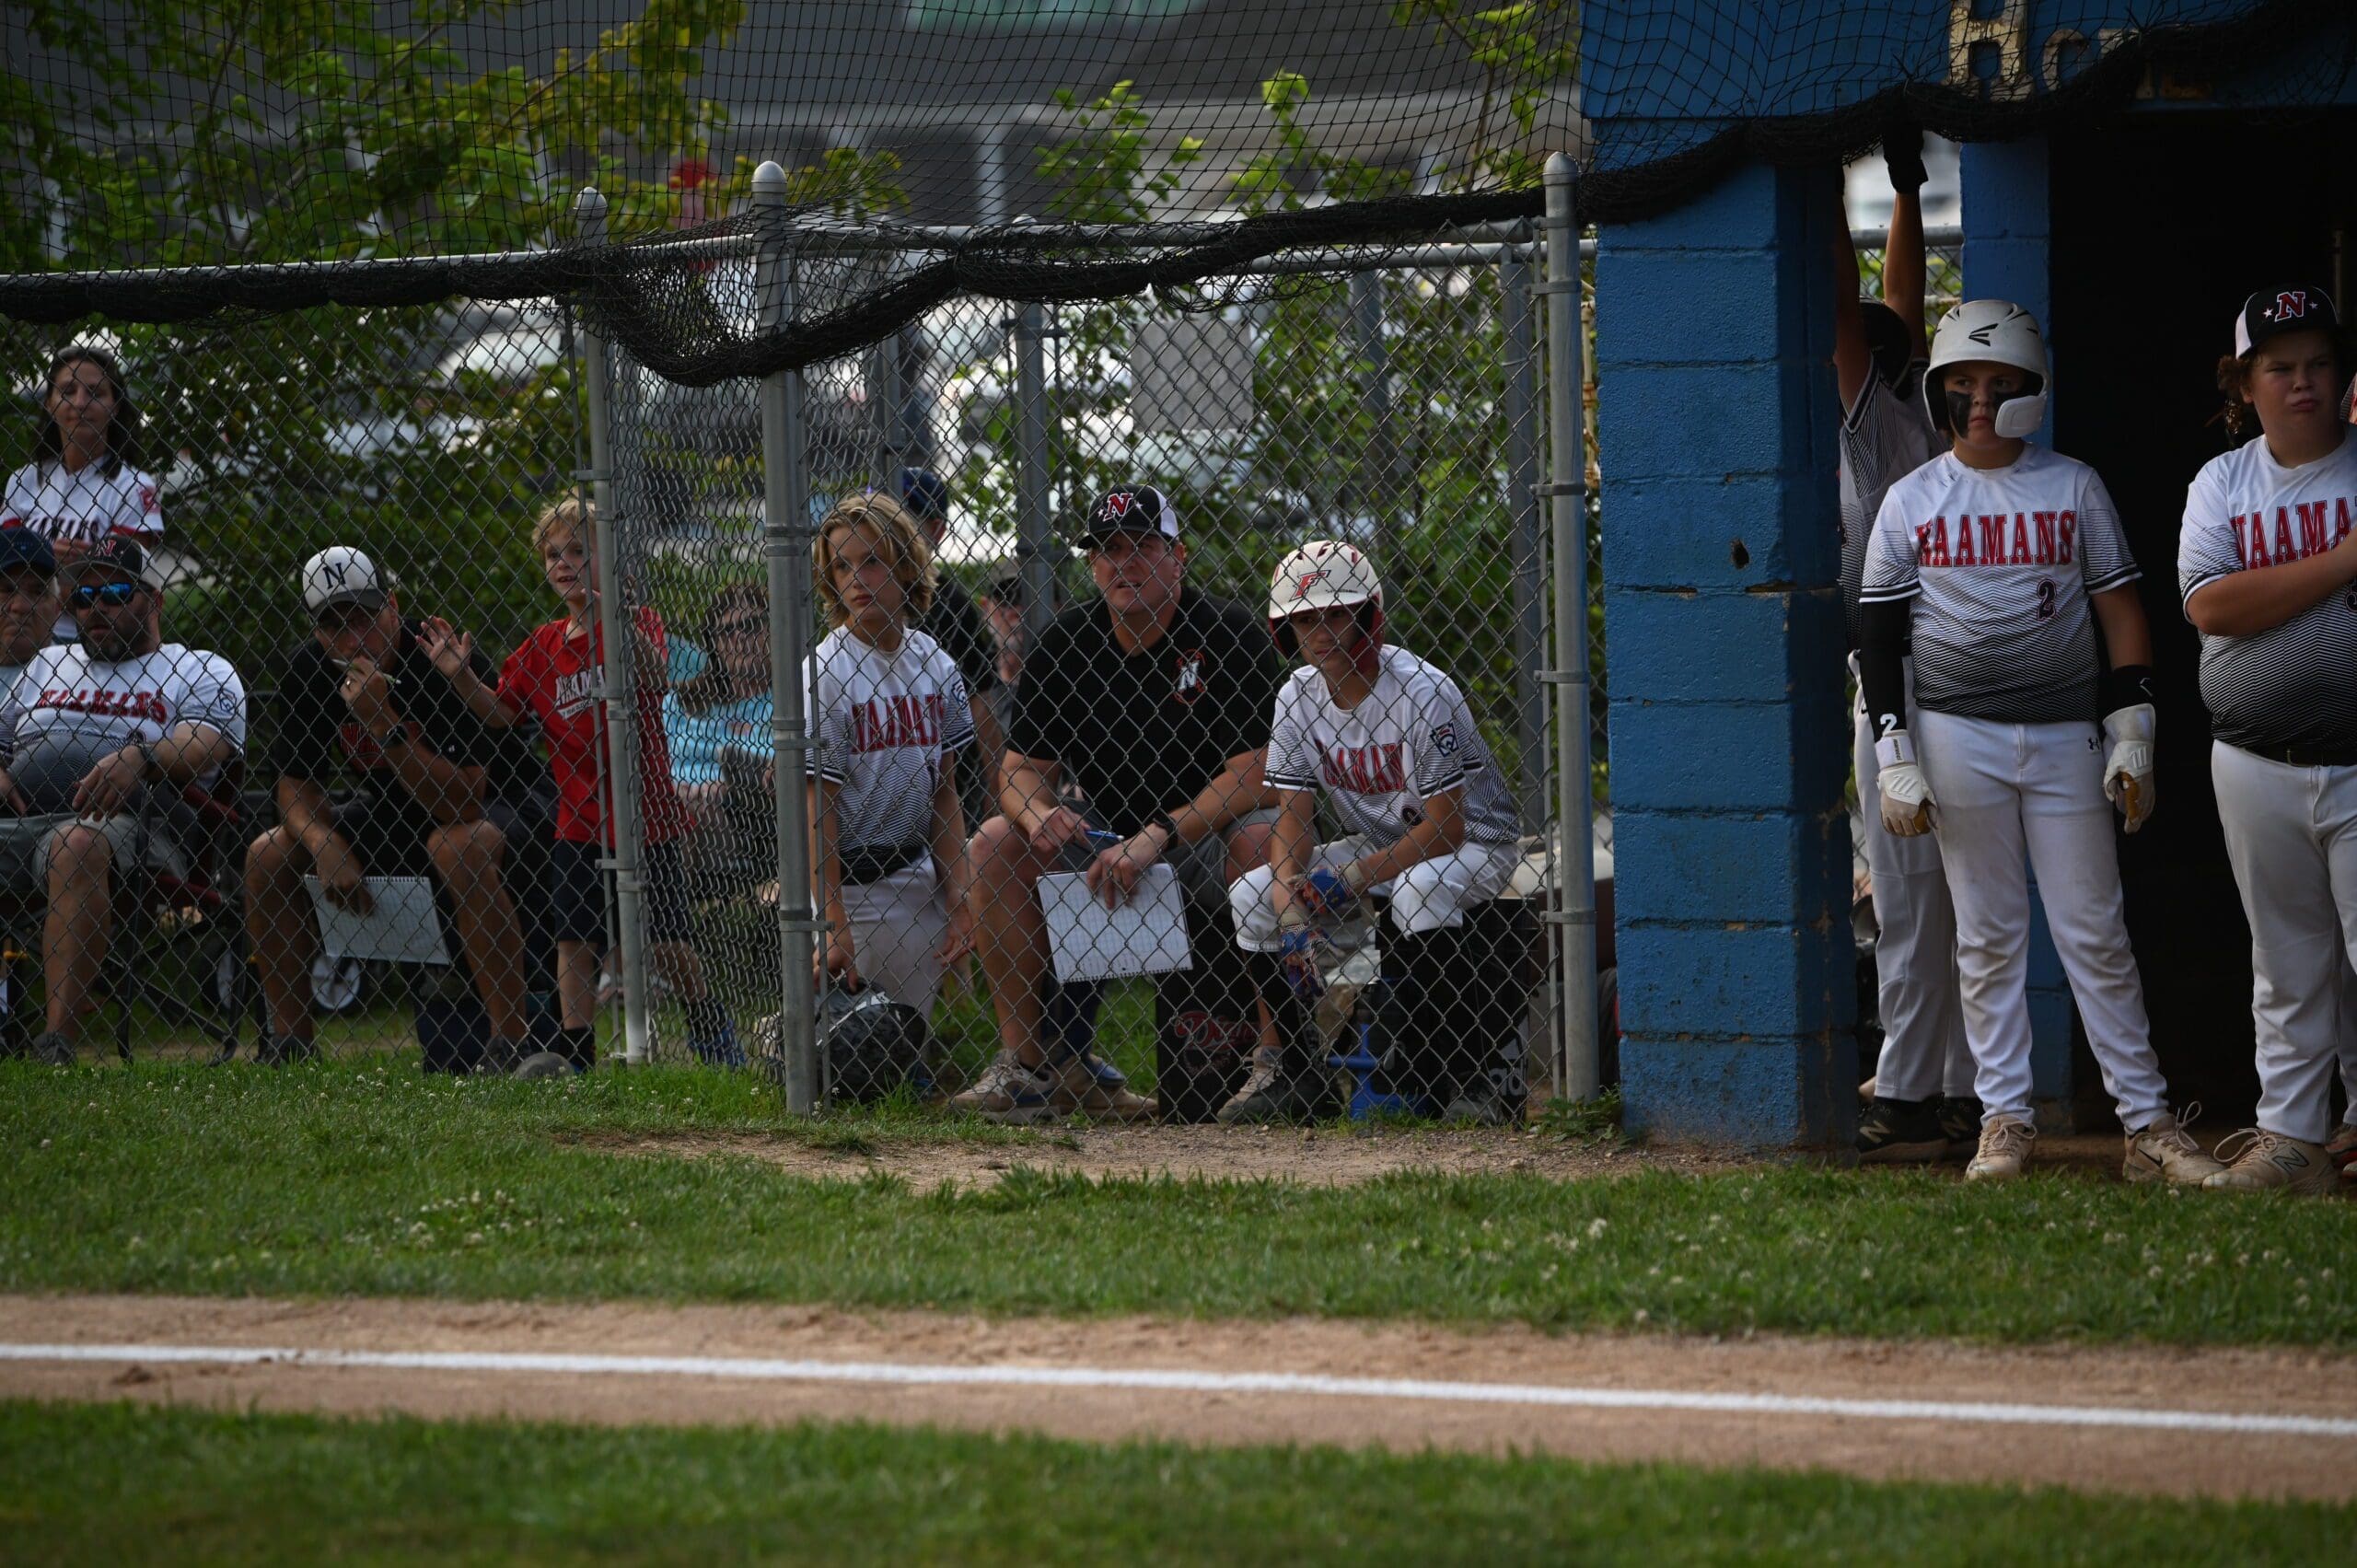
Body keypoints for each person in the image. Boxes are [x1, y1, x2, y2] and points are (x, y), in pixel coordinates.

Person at [1857, 299, 2223, 1184]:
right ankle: (2004, 1119)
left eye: (2002, 383)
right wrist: (1895, 752)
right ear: (1938, 391)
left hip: (2064, 734)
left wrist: (2133, 726)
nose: (1981, 400)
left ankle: (2147, 1124)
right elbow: (1879, 637)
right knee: (1987, 937)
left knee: (2095, 930)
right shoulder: (1912, 498)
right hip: (1955, 734)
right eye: (1963, 382)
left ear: (2033, 389)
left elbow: (2121, 611)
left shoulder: (2073, 485)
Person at [951, 484, 1281, 1123]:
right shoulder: (1067, 642)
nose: (1123, 563)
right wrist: (1037, 813)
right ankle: (1030, 1069)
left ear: (1178, 556)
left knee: (1264, 838)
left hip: (1204, 836)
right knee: (994, 842)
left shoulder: (1228, 631)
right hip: (1105, 840)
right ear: (1092, 564)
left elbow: (1256, 775)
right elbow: (1019, 770)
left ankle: (1277, 1060)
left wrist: (1159, 834)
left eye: (1142, 546)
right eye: (1107, 549)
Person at [420, 497, 740, 1070]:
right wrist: (459, 676)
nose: (563, 563)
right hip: (578, 821)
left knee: (666, 940)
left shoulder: (636, 622)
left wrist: (616, 619)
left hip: (645, 816)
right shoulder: (542, 647)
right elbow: (501, 712)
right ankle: (575, 1053)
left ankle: (710, 1027)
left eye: (577, 551)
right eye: (553, 554)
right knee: (574, 940)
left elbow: (655, 673)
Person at [1226, 540, 1526, 1123]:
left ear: (1370, 615)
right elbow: (1293, 817)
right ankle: (1301, 1077)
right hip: (1384, 844)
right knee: (1251, 897)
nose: (1321, 633)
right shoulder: (1296, 697)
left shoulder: (1422, 692)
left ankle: (1470, 1083)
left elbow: (1446, 829)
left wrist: (1354, 877)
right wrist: (1289, 904)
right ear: (1285, 630)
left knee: (1419, 890)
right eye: (1304, 619)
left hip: (1475, 841)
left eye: (1337, 614)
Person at [2177, 285, 2357, 1191]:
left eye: (2319, 363)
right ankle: (2293, 1140)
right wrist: (2346, 559)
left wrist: (2280, 586)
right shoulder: (2222, 482)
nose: (2302, 382)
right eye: (2279, 368)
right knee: (2285, 963)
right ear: (2243, 384)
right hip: (2253, 756)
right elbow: (2213, 605)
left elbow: (2249, 597)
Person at [244, 547, 540, 1071]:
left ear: (394, 607)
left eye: (364, 618)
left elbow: (463, 802)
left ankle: (510, 1046)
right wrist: (324, 842)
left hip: (504, 805)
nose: (352, 640)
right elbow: (293, 788)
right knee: (268, 854)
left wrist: (383, 724)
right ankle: (289, 1046)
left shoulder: (440, 656)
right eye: (334, 626)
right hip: (396, 812)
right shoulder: (310, 668)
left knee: (455, 845)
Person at [1833, 131, 1976, 1164]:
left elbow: (1862, 313)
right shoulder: (1929, 415)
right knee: (1946, 898)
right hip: (1942, 674)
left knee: (1918, 901)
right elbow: (1896, 303)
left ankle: (1926, 1088)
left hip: (1909, 678)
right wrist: (1907, 185)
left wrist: (1817, 184)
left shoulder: (1880, 425)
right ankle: (1949, 1086)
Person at [0, 538, 244, 1067]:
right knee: (70, 841)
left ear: (154, 601)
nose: (96, 609)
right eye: (83, 598)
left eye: (113, 593)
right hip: (23, 821)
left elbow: (205, 745)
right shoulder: (46, 664)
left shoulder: (196, 668)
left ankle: (55, 1044)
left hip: (136, 826)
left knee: (77, 843)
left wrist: (143, 757)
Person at [804, 492, 974, 1028]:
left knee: (909, 1043)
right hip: (850, 887)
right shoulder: (826, 672)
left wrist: (959, 899)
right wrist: (833, 920)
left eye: (873, 561)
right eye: (842, 566)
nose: (858, 578)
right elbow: (817, 808)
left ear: (905, 564)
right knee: (857, 1049)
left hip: (917, 878)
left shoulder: (935, 663)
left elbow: (945, 792)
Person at [2, 346, 166, 641]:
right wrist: (73, 568)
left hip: (90, 642)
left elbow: (119, 596)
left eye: (95, 393)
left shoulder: (133, 487)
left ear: (115, 407)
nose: (80, 403)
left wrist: (36, 569)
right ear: (49, 404)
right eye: (67, 391)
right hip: (19, 637)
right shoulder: (23, 481)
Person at [900, 468, 1005, 823]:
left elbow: (981, 706)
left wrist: (996, 792)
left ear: (936, 530)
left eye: (905, 518)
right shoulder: (856, 598)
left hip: (950, 790)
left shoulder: (951, 606)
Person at [662, 581, 772, 841]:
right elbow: (654, 762)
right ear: (714, 644)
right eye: (726, 631)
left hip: (754, 820)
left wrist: (724, 786)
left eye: (750, 625)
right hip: (677, 806)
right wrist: (676, 787)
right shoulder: (680, 701)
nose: (739, 637)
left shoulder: (794, 699)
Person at [0, 530, 60, 691]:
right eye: (7, 590)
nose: (21, 606)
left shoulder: (70, 677)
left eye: (37, 593)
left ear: (56, 609)